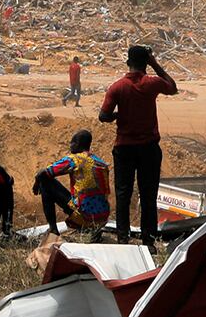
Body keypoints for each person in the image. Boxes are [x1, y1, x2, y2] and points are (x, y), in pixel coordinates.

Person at [98, 44, 177, 249]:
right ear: (145, 64)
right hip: (149, 148)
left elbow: (103, 116)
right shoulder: (152, 84)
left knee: (123, 193)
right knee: (148, 194)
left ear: (128, 63)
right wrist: (155, 63)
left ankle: (123, 238)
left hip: (124, 147)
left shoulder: (117, 87)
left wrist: (118, 115)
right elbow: (173, 87)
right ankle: (148, 241)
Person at [33, 131, 112, 236]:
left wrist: (37, 183)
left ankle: (53, 230)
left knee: (46, 182)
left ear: (78, 144)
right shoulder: (101, 163)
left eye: (72, 143)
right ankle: (91, 230)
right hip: (102, 219)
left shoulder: (74, 159)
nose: (70, 146)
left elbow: (43, 173)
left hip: (84, 217)